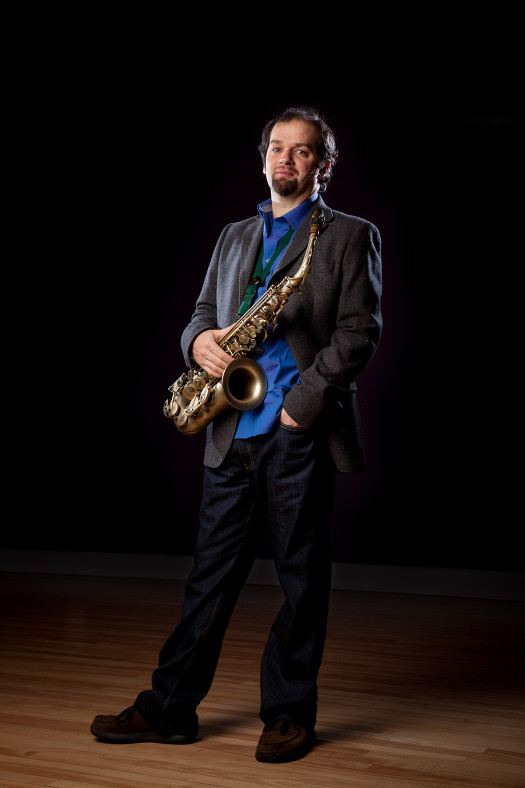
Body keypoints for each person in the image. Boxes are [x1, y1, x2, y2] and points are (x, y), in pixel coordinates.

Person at [91, 106, 382, 763]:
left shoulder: (346, 235)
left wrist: (301, 406)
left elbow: (358, 332)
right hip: (229, 425)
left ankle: (287, 713)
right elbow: (199, 315)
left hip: (295, 429)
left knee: (300, 579)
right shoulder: (231, 236)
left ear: (322, 166)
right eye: (276, 148)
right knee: (208, 578)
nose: (286, 159)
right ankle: (169, 709)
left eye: (302, 151)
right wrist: (201, 345)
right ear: (261, 159)